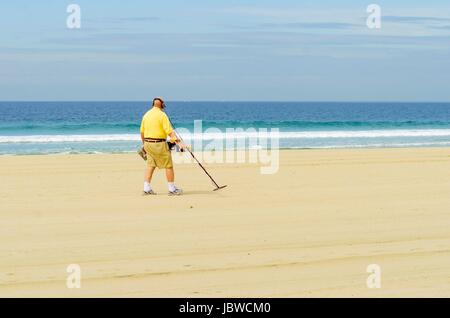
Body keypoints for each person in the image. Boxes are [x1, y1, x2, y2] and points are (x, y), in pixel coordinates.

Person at [140, 97, 186, 195]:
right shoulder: (162, 115)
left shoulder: (146, 114)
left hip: (147, 144)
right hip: (159, 144)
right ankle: (172, 189)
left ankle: (146, 189)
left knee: (150, 165)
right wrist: (180, 144)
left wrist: (144, 145)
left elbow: (142, 132)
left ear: (153, 104)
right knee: (168, 165)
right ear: (162, 104)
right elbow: (170, 132)